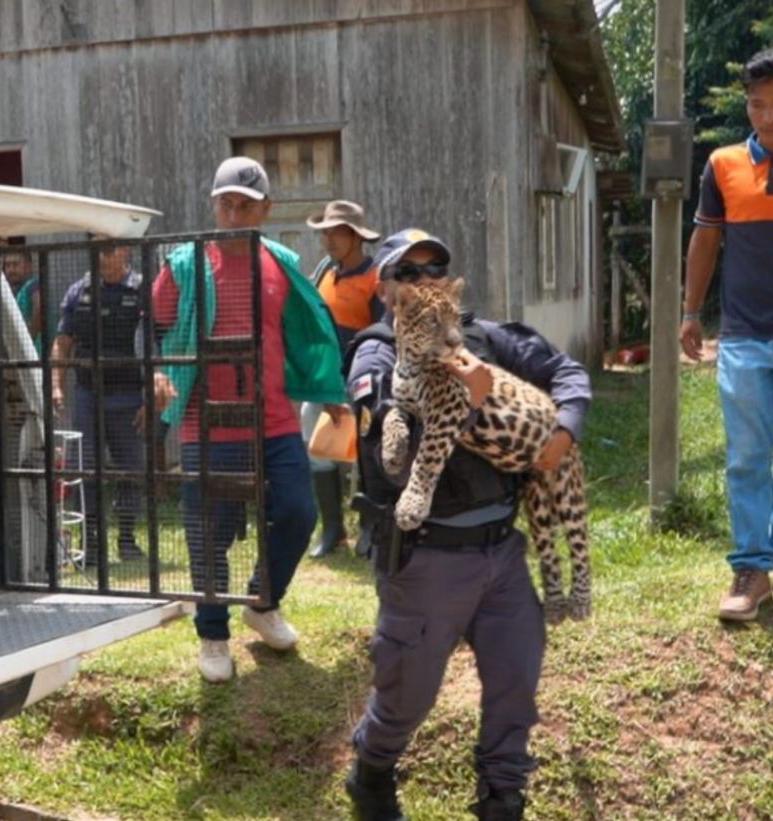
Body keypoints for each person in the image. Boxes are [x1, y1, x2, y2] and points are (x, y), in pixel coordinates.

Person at [344, 230, 591, 820]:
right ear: (385, 288)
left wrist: (564, 431)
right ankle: (372, 772)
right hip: (428, 557)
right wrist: (465, 396)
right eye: (408, 272)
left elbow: (566, 372)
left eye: (435, 268)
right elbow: (384, 435)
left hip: (502, 551)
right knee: (408, 695)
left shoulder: (486, 336)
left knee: (515, 681)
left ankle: (502, 799)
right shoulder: (377, 350)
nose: (424, 280)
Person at [151, 156, 347, 683]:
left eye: (245, 205)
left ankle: (263, 602)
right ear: (213, 203)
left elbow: (306, 335)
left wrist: (329, 392)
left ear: (265, 209)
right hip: (205, 421)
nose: (233, 215)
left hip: (275, 417)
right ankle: (214, 637)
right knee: (206, 530)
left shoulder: (281, 262)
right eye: (225, 203)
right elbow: (152, 327)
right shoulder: (185, 263)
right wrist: (158, 374)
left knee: (298, 513)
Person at [679, 47, 773, 622]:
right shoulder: (722, 165)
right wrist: (690, 312)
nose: (770, 116)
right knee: (749, 456)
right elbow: (705, 240)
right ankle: (750, 568)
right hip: (744, 336)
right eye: (758, 105)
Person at [51, 243, 147, 566]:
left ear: (126, 252)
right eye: (99, 251)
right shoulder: (79, 292)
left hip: (129, 396)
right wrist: (56, 387)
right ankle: (90, 542)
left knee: (131, 469)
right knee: (86, 471)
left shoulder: (142, 290)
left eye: (110, 250)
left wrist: (150, 397)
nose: (103, 257)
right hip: (88, 396)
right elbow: (62, 344)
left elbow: (157, 343)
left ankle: (127, 539)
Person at [302, 200, 384, 559]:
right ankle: (332, 530)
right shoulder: (323, 272)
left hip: (361, 380)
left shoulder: (376, 278)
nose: (329, 240)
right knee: (316, 447)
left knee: (367, 455)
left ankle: (370, 529)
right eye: (325, 233)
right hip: (322, 380)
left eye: (337, 233)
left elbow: (383, 334)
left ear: (356, 237)